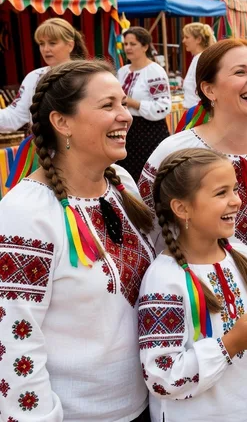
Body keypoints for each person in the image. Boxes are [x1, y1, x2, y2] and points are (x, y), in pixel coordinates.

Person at [139, 38, 247, 422]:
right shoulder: (174, 151)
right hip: (196, 306)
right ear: (208, 89)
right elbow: (150, 229)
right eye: (241, 72)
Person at [0, 60, 156, 421]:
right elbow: (13, 340)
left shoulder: (121, 184)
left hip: (143, 404)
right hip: (78, 413)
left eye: (122, 102)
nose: (125, 116)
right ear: (62, 122)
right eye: (107, 105)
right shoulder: (25, 214)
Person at [141, 147, 247, 421]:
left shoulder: (242, 255)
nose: (236, 201)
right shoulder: (164, 280)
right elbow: (162, 376)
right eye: (221, 193)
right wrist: (230, 344)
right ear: (182, 208)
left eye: (235, 190)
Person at [0, 18, 88, 132]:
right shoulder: (34, 77)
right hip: (42, 148)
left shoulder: (87, 76)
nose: (46, 49)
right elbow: (14, 117)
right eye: (41, 44)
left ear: (70, 45)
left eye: (52, 43)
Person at [117, 27, 171, 181]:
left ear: (145, 46)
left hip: (149, 131)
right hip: (127, 130)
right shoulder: (123, 71)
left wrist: (133, 103)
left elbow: (163, 106)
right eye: (125, 44)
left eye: (132, 44)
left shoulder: (154, 71)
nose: (127, 48)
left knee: (148, 174)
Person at [181, 22, 217, 111]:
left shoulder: (201, 59)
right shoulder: (198, 58)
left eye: (187, 37)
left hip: (199, 112)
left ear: (198, 39)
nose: (184, 41)